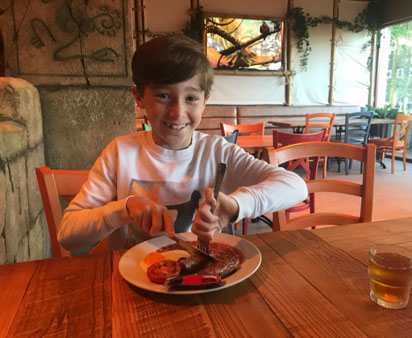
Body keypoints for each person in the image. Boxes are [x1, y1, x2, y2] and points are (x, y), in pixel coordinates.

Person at [58, 35, 307, 252]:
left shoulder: (218, 152)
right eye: (163, 96)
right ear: (139, 97)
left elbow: (295, 185)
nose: (177, 113)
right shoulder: (120, 152)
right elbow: (67, 235)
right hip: (136, 287)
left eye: (191, 97)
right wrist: (124, 209)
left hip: (210, 281)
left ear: (205, 100)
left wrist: (237, 205)